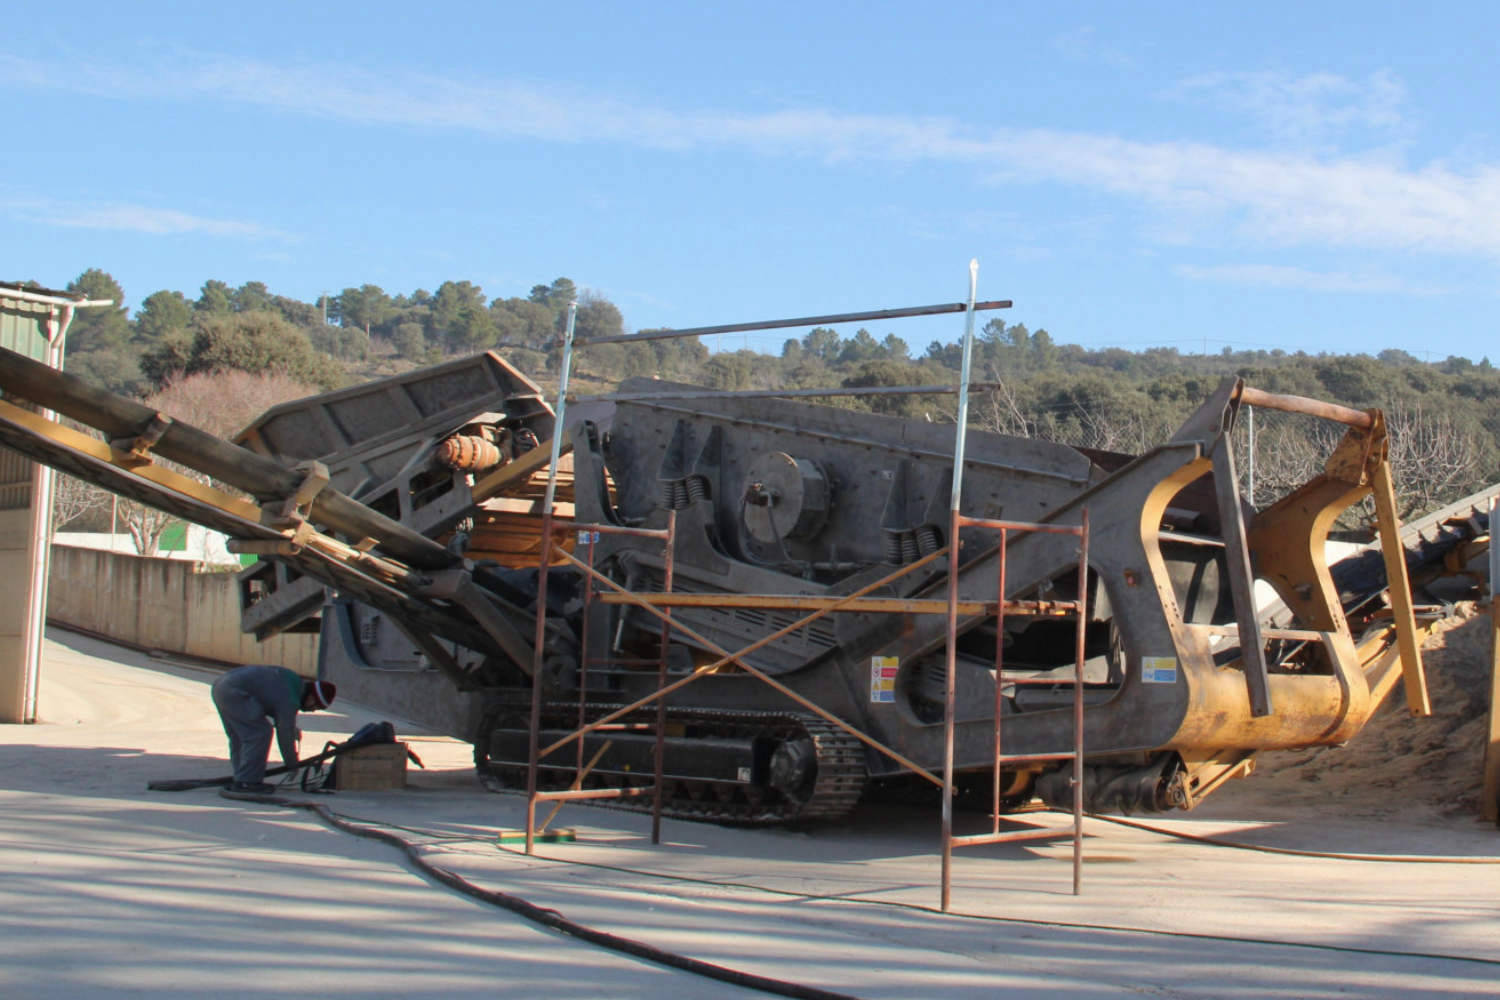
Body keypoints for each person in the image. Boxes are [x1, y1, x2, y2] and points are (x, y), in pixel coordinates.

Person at [211, 665, 337, 797]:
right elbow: (284, 734)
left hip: (221, 687)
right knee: (259, 734)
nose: (312, 710)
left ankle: (242, 778)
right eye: (316, 706)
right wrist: (292, 764)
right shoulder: (290, 699)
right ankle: (247, 782)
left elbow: (273, 699)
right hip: (235, 693)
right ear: (312, 697)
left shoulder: (293, 682)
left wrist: (290, 727)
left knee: (240, 736)